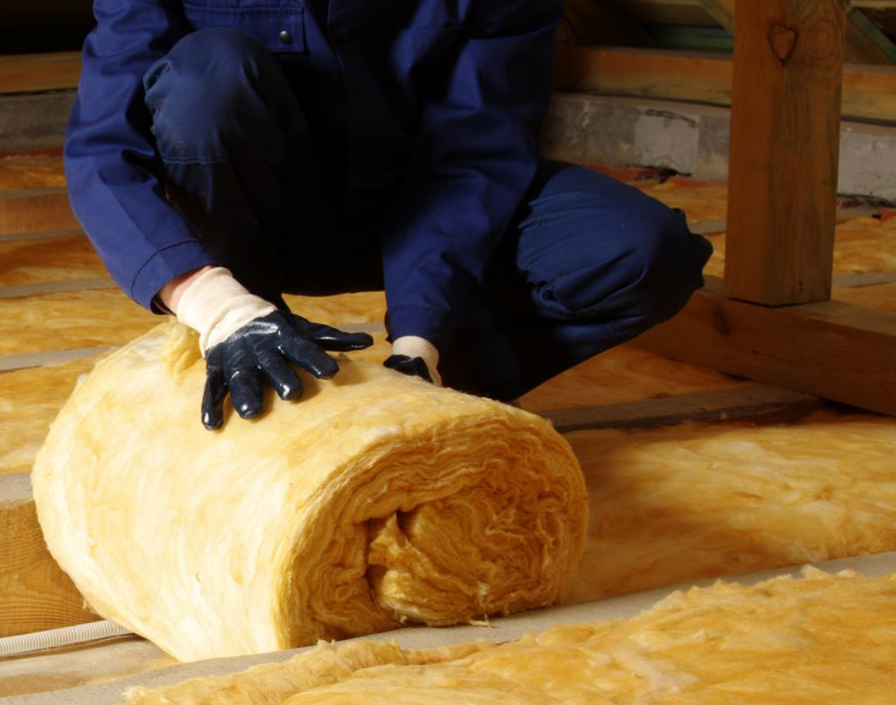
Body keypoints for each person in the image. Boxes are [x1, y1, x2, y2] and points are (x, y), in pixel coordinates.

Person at [63, 0, 715, 428]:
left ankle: (418, 393)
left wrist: (421, 341)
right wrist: (215, 302)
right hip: (254, 224)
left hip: (415, 210)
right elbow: (101, 150)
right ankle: (252, 355)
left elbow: (471, 158)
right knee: (207, 78)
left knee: (641, 251)